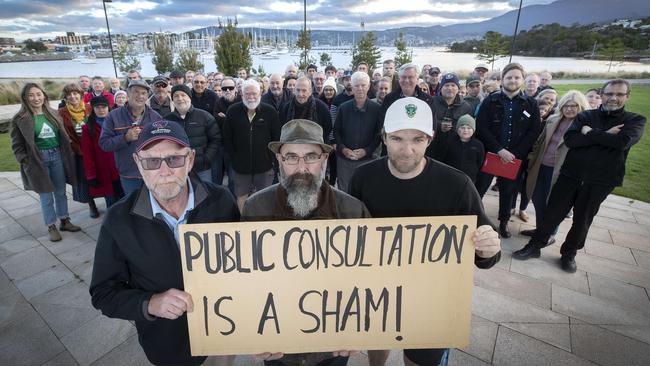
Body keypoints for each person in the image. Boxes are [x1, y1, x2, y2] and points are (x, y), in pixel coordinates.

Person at [349, 97, 501, 366]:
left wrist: (488, 248)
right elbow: (350, 238)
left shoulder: (457, 184)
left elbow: (483, 250)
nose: (407, 150)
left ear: (430, 140)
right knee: (377, 345)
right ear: (384, 138)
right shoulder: (363, 178)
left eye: (417, 140)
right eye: (397, 138)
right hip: (378, 293)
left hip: (432, 298)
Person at [90, 120, 239, 366]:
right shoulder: (119, 220)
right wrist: (150, 303)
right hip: (167, 346)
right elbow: (103, 293)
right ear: (138, 163)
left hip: (220, 336)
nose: (164, 171)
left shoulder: (221, 201)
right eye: (152, 162)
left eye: (174, 159)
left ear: (190, 159)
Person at [242, 119, 365, 366]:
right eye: (291, 157)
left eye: (310, 156)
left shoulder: (352, 209)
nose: (301, 167)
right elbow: (244, 277)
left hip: (332, 344)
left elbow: (370, 278)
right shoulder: (255, 207)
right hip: (278, 343)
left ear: (324, 159)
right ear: (279, 160)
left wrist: (360, 331)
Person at [513, 79, 646, 272]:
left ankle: (569, 254)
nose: (613, 98)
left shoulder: (635, 120)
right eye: (609, 94)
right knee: (552, 213)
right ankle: (534, 246)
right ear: (603, 94)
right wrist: (606, 136)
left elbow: (622, 142)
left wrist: (590, 133)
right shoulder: (585, 115)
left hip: (600, 180)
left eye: (619, 94)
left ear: (627, 96)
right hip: (571, 174)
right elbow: (572, 140)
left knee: (583, 219)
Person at [475, 63, 542, 238]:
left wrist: (515, 153)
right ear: (502, 79)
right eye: (509, 77)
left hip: (514, 157)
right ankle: (474, 218)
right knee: (479, 188)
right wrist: (499, 150)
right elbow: (481, 127)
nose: (513, 80)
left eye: (516, 77)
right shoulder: (491, 100)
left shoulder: (531, 104)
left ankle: (503, 223)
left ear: (522, 80)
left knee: (508, 192)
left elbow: (534, 131)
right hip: (491, 154)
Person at [11, 83, 81, 242]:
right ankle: (51, 225)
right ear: (25, 98)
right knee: (45, 195)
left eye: (38, 94)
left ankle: (64, 220)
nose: (36, 98)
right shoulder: (20, 119)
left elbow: (62, 136)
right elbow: (17, 145)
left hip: (57, 156)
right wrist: (25, 160)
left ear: (44, 96)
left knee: (60, 191)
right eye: (31, 95)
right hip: (37, 160)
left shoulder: (54, 114)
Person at [519, 90, 589, 244]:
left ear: (581, 106)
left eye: (574, 106)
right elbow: (540, 141)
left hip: (564, 172)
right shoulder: (552, 119)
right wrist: (531, 159)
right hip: (541, 167)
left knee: (556, 205)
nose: (569, 109)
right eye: (566, 105)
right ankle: (540, 230)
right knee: (538, 200)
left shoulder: (584, 125)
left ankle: (549, 234)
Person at [223, 79, 281, 210]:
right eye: (247, 94)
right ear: (242, 95)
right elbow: (227, 138)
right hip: (240, 168)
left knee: (265, 198)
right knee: (241, 197)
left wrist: (271, 159)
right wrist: (235, 158)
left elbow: (276, 138)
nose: (251, 97)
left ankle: (265, 225)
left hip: (265, 167)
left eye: (254, 93)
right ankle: (244, 225)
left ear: (260, 93)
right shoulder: (232, 111)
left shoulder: (270, 111)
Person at [100, 80, 162, 195]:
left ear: (147, 96)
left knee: (156, 206)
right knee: (133, 208)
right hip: (129, 175)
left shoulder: (156, 117)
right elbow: (104, 144)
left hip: (152, 172)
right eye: (136, 92)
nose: (140, 96)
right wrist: (125, 138)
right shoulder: (113, 116)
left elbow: (162, 144)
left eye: (143, 93)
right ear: (128, 94)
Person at [333, 71, 382, 192]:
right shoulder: (343, 108)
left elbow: (378, 135)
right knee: (345, 192)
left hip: (368, 160)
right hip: (345, 160)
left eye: (363, 85)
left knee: (367, 191)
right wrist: (343, 149)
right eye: (356, 85)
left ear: (369, 86)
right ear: (352, 87)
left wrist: (366, 151)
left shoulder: (376, 109)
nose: (360, 88)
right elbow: (336, 132)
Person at [58, 83, 100, 218]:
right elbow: (62, 133)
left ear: (81, 95)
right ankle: (91, 204)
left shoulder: (89, 108)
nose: (73, 96)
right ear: (65, 97)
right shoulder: (62, 113)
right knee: (85, 179)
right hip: (78, 152)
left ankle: (108, 200)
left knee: (100, 176)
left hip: (95, 149)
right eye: (69, 94)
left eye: (75, 93)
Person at [165, 84, 221, 183]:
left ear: (189, 97)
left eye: (183, 95)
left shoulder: (204, 116)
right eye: (176, 96)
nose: (180, 98)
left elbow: (215, 139)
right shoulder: (167, 120)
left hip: (202, 169)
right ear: (172, 100)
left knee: (204, 195)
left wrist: (207, 158)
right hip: (177, 168)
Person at [81, 96, 124, 208]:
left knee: (125, 198)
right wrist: (91, 175)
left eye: (104, 107)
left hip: (120, 167)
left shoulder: (117, 123)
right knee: (111, 201)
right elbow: (87, 154)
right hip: (103, 171)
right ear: (93, 109)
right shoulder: (88, 128)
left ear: (108, 108)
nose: (101, 110)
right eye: (97, 107)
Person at [429, 73, 473, 159]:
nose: (449, 88)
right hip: (432, 148)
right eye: (446, 85)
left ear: (458, 88)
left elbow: (469, 128)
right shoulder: (431, 102)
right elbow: (423, 121)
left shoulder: (465, 107)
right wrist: (438, 125)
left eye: (453, 85)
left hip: (455, 150)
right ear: (441, 88)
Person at [280, 77, 332, 144]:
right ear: (294, 91)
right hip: (292, 145)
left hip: (316, 145)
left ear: (310, 91)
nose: (300, 94)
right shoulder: (286, 108)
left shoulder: (322, 107)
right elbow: (283, 129)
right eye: (298, 90)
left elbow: (328, 128)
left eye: (304, 90)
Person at [437, 114, 485, 184]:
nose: (465, 130)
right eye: (462, 127)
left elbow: (480, 162)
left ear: (473, 130)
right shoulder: (449, 142)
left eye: (469, 128)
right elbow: (442, 158)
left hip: (468, 180)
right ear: (457, 129)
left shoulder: (478, 145)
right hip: (449, 177)